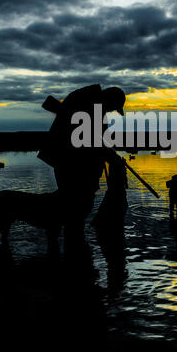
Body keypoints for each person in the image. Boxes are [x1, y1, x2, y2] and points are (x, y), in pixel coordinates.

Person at [38, 84, 126, 254]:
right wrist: (110, 156)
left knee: (75, 209)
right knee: (74, 209)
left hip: (72, 161)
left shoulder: (94, 106)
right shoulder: (86, 101)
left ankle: (68, 250)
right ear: (109, 99)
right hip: (68, 161)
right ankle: (73, 256)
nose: (110, 111)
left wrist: (109, 152)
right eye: (113, 107)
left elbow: (99, 138)